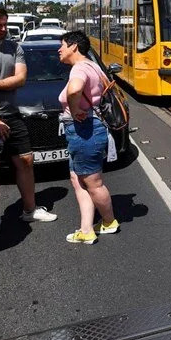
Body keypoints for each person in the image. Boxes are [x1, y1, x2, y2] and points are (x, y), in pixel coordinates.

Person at [0, 6, 57, 237]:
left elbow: (20, 79)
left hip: (12, 114)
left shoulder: (14, 47)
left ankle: (30, 209)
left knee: (26, 160)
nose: (4, 29)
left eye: (5, 24)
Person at [57, 31, 118, 244]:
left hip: (85, 130)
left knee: (93, 183)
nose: (60, 50)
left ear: (74, 46)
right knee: (78, 178)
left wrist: (74, 111)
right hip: (87, 129)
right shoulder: (92, 65)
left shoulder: (80, 68)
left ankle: (109, 222)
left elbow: (74, 90)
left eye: (62, 45)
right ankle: (86, 229)